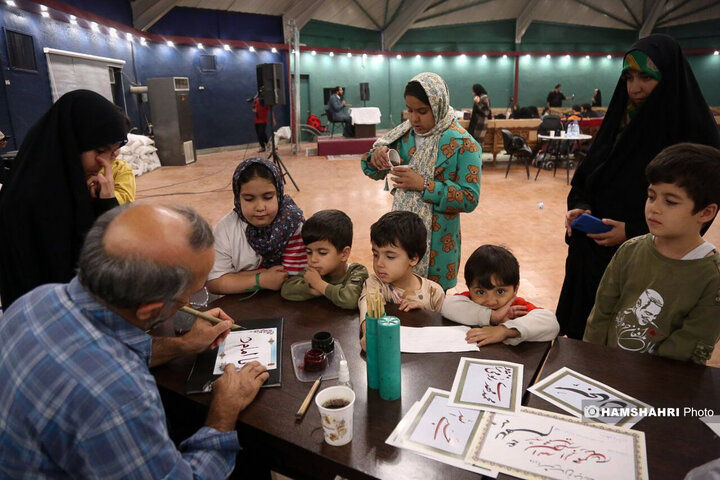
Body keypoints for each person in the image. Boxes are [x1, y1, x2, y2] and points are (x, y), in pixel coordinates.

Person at [0, 203, 270, 478]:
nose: (190, 303)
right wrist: (225, 410)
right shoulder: (119, 397)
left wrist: (184, 344)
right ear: (149, 310)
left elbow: (110, 342)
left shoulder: (36, 300)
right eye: (189, 296)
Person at [556, 34, 720, 339]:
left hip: (647, 261)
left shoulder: (693, 130)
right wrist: (579, 207)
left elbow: (699, 209)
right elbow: (588, 177)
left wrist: (631, 233)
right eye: (629, 77)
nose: (635, 87)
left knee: (629, 344)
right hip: (590, 252)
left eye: (646, 77)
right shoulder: (619, 120)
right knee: (586, 335)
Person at [583, 143, 720, 364]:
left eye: (670, 202)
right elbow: (601, 315)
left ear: (706, 212)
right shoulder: (630, 250)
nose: (654, 208)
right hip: (606, 372)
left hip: (662, 386)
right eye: (651, 196)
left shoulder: (712, 278)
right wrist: (594, 363)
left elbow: (689, 345)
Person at [0, 89, 128, 309]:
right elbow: (101, 265)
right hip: (51, 320)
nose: (107, 163)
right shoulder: (38, 198)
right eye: (100, 150)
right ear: (71, 142)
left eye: (114, 153)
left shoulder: (71, 186)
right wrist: (107, 208)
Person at [361, 72, 481, 291]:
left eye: (422, 111)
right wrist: (376, 156)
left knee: (431, 307)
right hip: (398, 243)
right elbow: (370, 169)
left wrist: (424, 185)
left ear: (439, 106)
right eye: (410, 110)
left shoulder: (464, 144)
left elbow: (469, 198)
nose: (414, 118)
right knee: (396, 300)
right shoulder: (403, 135)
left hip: (437, 248)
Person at [207, 157, 306, 294]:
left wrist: (237, 279)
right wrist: (261, 280)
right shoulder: (226, 230)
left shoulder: (294, 224)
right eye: (249, 199)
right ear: (237, 198)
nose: (260, 207)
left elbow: (304, 275)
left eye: (267, 197)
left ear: (279, 194)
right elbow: (215, 282)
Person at [442, 245, 559, 347]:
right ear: (469, 288)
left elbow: (551, 323)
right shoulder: (468, 300)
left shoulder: (517, 307)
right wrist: (493, 316)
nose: (491, 301)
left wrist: (504, 331)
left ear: (515, 288)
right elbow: (447, 305)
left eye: (500, 292)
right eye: (481, 292)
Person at [358, 211, 445, 346]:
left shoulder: (434, 292)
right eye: (375, 254)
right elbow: (368, 307)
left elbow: (443, 330)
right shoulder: (376, 284)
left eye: (390, 257)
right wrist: (369, 334)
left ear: (413, 258)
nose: (379, 263)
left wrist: (425, 312)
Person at [281, 209, 369, 308]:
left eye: (322, 253)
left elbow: (351, 300)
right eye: (309, 252)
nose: (313, 259)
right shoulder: (314, 271)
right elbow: (286, 290)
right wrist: (310, 289)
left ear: (344, 254)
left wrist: (319, 284)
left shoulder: (357, 271)